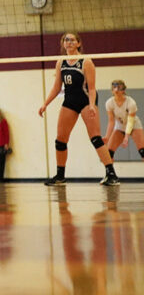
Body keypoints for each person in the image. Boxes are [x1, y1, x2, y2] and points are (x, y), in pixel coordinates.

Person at [38, 33, 118, 186]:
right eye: (65, 40)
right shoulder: (60, 62)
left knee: (95, 138)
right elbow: (56, 87)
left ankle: (111, 174)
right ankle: (60, 176)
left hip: (86, 100)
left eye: (71, 40)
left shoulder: (86, 62)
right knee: (60, 140)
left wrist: (92, 105)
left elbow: (92, 88)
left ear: (78, 43)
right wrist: (45, 104)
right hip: (69, 102)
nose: (68, 42)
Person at [104, 79, 143, 162]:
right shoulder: (109, 103)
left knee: (142, 151)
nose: (116, 90)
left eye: (119, 88)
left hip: (134, 125)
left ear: (124, 90)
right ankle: (110, 173)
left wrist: (126, 137)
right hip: (120, 126)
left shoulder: (131, 102)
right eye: (114, 87)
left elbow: (130, 121)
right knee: (108, 153)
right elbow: (111, 122)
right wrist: (107, 137)